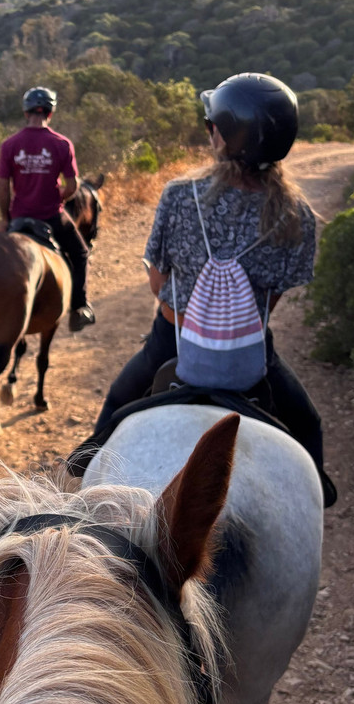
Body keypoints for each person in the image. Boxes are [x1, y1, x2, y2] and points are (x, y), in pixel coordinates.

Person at [93, 72, 335, 506]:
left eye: (212, 127)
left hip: (172, 344)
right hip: (251, 350)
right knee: (308, 423)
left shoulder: (179, 195)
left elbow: (157, 280)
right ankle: (317, 494)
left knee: (116, 404)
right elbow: (273, 297)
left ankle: (82, 475)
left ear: (221, 138)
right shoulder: (296, 213)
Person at [0, 86, 95, 332]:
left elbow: (2, 188)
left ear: (25, 112)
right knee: (81, 253)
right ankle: (78, 308)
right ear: (49, 113)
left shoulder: (9, 145)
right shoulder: (62, 144)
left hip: (19, 219)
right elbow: (72, 186)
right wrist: (58, 196)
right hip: (51, 216)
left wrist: (6, 218)